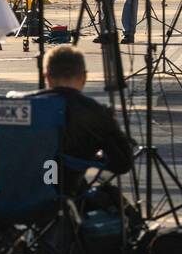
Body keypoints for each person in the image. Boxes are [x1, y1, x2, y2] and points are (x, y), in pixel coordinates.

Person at [31, 45, 134, 195]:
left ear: (46, 76)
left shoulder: (21, 107)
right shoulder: (96, 113)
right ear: (84, 77)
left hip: (14, 197)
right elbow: (122, 163)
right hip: (64, 196)